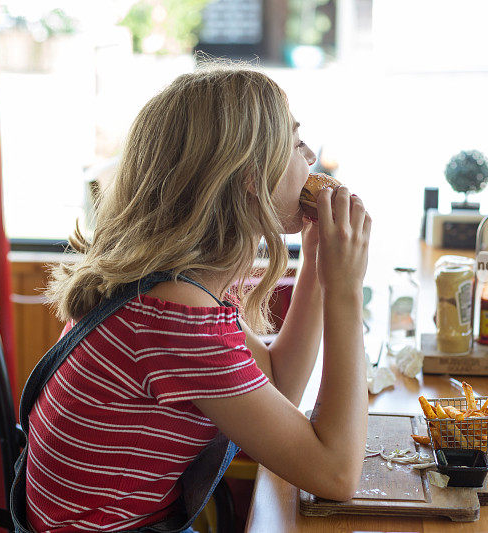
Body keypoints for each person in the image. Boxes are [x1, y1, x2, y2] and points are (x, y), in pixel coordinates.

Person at [23, 66, 371, 532]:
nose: (310, 156)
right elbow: (337, 473)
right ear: (250, 177)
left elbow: (279, 386)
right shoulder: (175, 317)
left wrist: (316, 267)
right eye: (294, 143)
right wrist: (347, 294)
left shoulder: (168, 282)